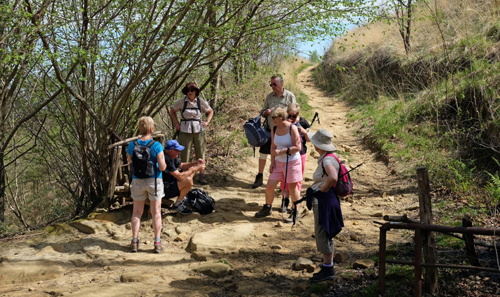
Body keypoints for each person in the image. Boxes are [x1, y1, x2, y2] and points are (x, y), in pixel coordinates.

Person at [306, 128, 344, 282]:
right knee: (326, 232)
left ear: (318, 145)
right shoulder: (330, 157)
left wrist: (325, 186)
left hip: (324, 200)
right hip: (327, 199)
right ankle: (327, 267)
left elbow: (333, 177)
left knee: (323, 233)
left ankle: (328, 269)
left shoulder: (327, 160)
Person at [254, 107, 302, 223]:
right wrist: (272, 161)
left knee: (292, 188)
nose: (273, 120)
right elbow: (273, 146)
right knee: (270, 185)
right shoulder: (274, 128)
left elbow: (298, 147)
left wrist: (282, 151)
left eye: (274, 118)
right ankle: (267, 207)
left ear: (281, 117)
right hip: (278, 163)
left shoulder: (292, 128)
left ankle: (295, 212)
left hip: (292, 162)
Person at [126, 116, 167, 253]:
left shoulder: (132, 145)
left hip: (137, 181)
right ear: (152, 129)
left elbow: (130, 164)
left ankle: (134, 242)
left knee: (136, 213)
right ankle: (157, 242)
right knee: (156, 212)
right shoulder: (156, 145)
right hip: (154, 181)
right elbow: (162, 167)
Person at [252, 74, 296, 188]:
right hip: (270, 129)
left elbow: (294, 113)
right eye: (271, 84)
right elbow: (262, 112)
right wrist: (265, 113)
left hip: (284, 132)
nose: (272, 86)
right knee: (263, 153)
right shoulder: (269, 96)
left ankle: (284, 182)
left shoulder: (290, 96)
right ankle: (259, 176)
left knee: (283, 155)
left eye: (274, 84)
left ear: (281, 84)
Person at [170, 82, 213, 185]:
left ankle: (202, 175)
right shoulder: (181, 102)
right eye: (188, 91)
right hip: (185, 130)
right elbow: (172, 111)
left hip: (199, 131)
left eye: (192, 90)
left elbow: (210, 111)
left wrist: (207, 122)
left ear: (196, 91)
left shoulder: (200, 102)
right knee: (185, 153)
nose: (190, 92)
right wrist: (177, 124)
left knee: (201, 153)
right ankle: (185, 175)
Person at [279, 103, 310, 212]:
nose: (291, 118)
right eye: (289, 115)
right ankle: (284, 201)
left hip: (300, 154)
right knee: (284, 179)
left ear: (298, 114)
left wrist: (303, 131)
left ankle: (295, 205)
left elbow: (310, 139)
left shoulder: (303, 122)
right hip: (286, 155)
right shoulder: (284, 122)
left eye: (294, 116)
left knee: (297, 180)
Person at [162, 139, 206, 215]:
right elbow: (180, 177)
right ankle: (177, 204)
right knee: (188, 180)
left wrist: (195, 163)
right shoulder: (165, 159)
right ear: (171, 151)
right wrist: (195, 168)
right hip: (164, 189)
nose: (179, 152)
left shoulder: (171, 156)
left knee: (189, 170)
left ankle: (182, 195)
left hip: (171, 182)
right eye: (177, 150)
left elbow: (182, 165)